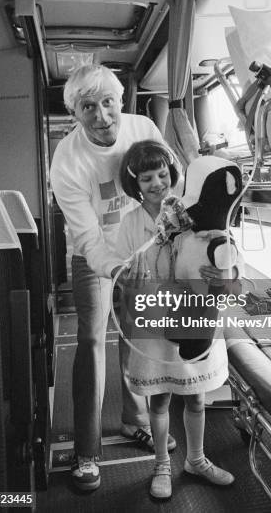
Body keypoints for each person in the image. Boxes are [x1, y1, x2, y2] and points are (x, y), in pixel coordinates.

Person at [50, 65, 176, 492]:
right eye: (89, 106)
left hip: (141, 245)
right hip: (92, 255)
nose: (102, 115)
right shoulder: (68, 160)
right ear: (75, 113)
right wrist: (114, 268)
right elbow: (86, 234)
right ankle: (86, 452)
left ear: (120, 101)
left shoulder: (142, 127)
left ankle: (133, 421)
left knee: (135, 333)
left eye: (108, 102)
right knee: (91, 339)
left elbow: (166, 188)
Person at [108, 141, 236, 500]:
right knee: (160, 402)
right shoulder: (131, 224)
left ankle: (197, 459)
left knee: (196, 398)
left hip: (194, 316)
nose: (156, 183)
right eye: (146, 178)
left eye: (162, 174)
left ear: (172, 174)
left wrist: (224, 272)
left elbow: (224, 248)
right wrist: (127, 275)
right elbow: (120, 271)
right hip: (152, 322)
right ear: (134, 183)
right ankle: (162, 464)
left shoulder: (192, 212)